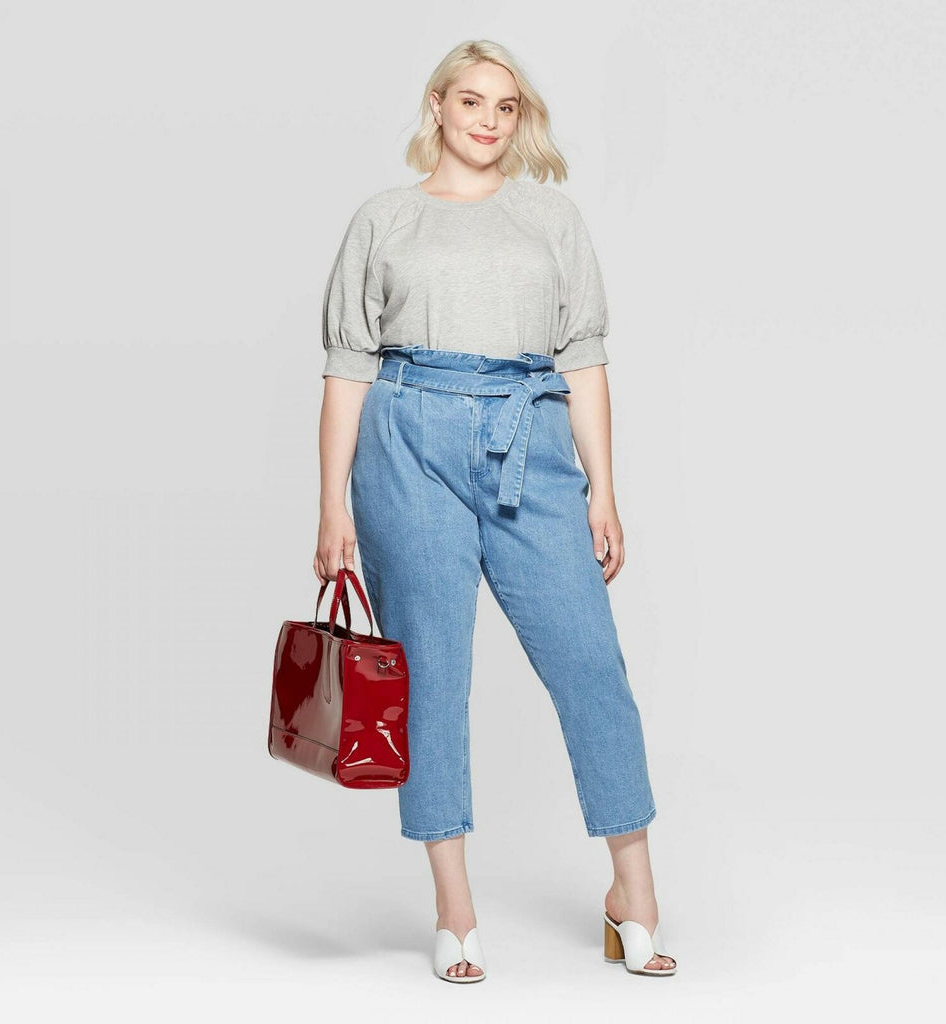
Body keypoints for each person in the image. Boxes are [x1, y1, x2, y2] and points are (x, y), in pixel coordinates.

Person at [314, 40, 676, 983]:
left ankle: (633, 892)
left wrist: (603, 488)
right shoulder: (384, 218)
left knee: (590, 663)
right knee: (431, 676)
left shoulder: (550, 216)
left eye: (506, 106)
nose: (488, 119)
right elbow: (348, 368)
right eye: (471, 100)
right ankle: (455, 907)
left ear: (520, 120)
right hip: (407, 442)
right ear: (437, 105)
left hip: (529, 439)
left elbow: (583, 357)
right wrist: (330, 507)